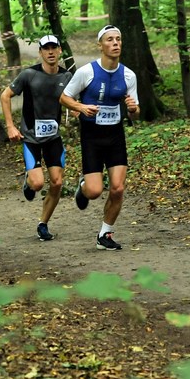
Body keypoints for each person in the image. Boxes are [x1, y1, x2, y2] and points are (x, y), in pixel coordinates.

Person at [59, 25, 140, 250]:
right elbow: (64, 98)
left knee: (118, 188)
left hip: (115, 136)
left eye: (118, 39)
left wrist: (133, 108)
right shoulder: (87, 72)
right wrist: (81, 107)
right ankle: (83, 185)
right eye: (110, 40)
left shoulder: (128, 75)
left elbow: (136, 112)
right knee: (94, 191)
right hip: (92, 137)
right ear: (100, 45)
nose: (115, 43)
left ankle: (105, 234)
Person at [1, 35, 73, 241]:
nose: (50, 52)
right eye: (46, 48)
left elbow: (74, 100)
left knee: (57, 183)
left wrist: (78, 110)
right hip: (31, 138)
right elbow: (5, 96)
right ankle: (29, 182)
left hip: (53, 138)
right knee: (38, 184)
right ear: (40, 52)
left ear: (60, 50)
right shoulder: (29, 75)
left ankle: (43, 224)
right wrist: (10, 127)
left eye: (54, 48)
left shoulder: (67, 77)